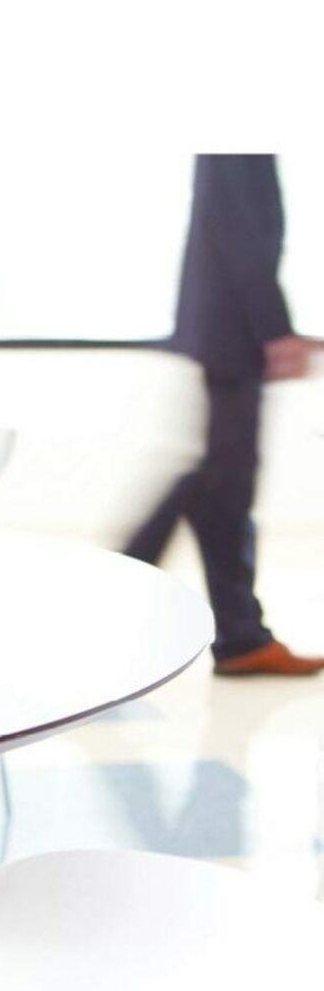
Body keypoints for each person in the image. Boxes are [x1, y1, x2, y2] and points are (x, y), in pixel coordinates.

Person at [125, 154, 322, 676]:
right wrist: (274, 330)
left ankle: (238, 635)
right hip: (231, 330)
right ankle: (233, 635)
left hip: (224, 328)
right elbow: (237, 229)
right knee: (222, 483)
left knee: (218, 484)